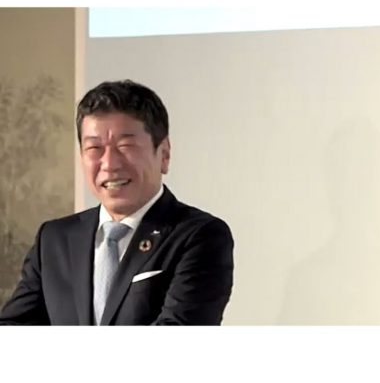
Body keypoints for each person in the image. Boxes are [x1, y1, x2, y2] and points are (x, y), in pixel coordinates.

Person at [0, 80, 234, 325]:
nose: (110, 164)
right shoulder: (54, 239)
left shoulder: (199, 236)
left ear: (164, 154)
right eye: (94, 148)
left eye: (126, 146)